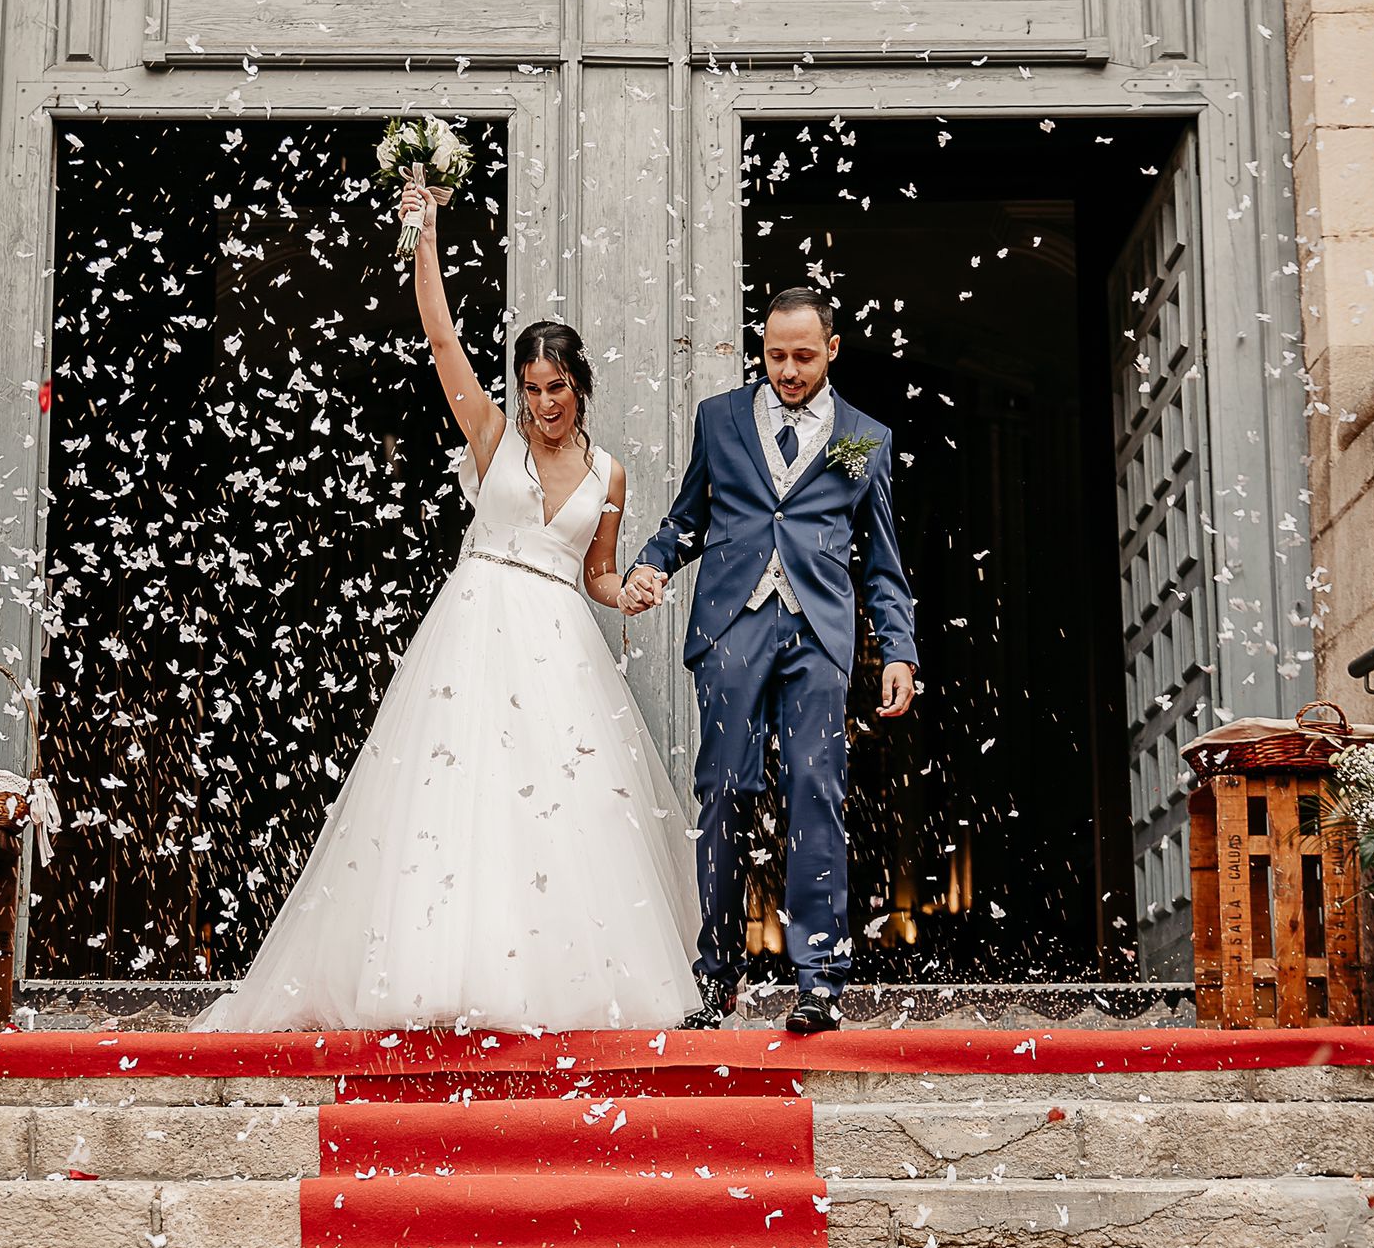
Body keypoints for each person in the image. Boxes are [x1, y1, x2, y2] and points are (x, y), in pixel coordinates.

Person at [194, 181, 700, 1033]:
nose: (543, 403)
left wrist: (638, 592)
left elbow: (601, 577)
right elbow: (439, 336)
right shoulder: (492, 437)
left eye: (557, 387)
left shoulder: (610, 473)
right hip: (474, 630)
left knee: (559, 809)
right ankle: (436, 972)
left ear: (580, 383)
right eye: (532, 387)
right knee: (452, 796)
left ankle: (557, 984)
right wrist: (423, 235)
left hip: (560, 647)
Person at [621, 288, 918, 1034]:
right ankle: (717, 972)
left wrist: (898, 651)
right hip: (731, 629)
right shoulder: (720, 420)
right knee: (721, 793)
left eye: (804, 357)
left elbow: (882, 564)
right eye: (776, 355)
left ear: (833, 350)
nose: (788, 371)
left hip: (817, 634)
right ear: (762, 345)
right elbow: (688, 520)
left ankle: (819, 981)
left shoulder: (861, 440)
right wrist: (651, 565)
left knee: (816, 790)